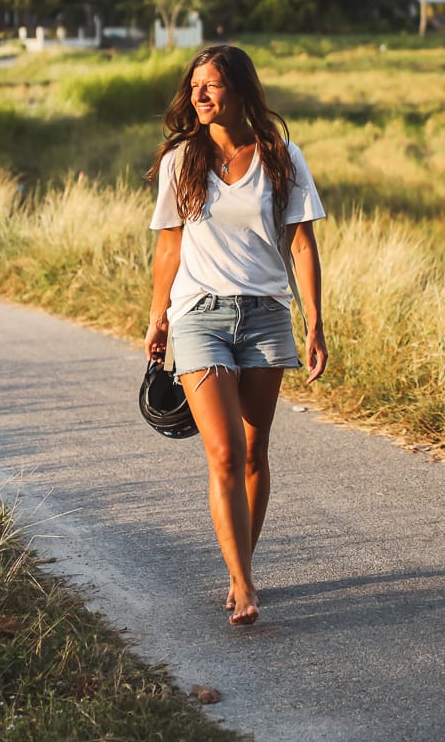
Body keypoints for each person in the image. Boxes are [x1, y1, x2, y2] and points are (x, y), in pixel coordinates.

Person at [143, 44, 328, 626]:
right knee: (223, 451)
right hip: (199, 313)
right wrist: (157, 317)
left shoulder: (280, 155)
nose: (199, 95)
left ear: (239, 91)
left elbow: (301, 243)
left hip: (266, 315)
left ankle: (236, 568)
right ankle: (245, 586)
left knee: (253, 452)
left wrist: (316, 321)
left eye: (212, 85)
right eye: (194, 85)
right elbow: (169, 245)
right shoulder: (180, 160)